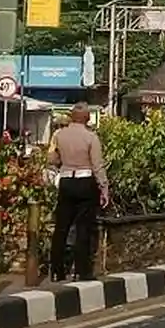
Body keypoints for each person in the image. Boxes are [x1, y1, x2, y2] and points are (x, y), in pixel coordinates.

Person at [48, 104, 110, 282]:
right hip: (85, 181)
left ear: (72, 117)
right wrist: (104, 188)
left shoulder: (59, 135)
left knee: (61, 227)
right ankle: (82, 270)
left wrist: (64, 162)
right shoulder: (91, 137)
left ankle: (57, 270)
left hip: (66, 181)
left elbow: (51, 158)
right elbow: (97, 165)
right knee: (83, 228)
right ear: (87, 118)